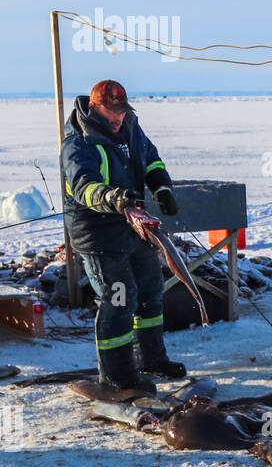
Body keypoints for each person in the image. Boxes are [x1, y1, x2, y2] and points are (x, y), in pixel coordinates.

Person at [61, 80, 186, 391]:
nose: (118, 118)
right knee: (119, 298)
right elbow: (83, 187)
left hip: (133, 225)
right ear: (93, 108)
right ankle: (118, 376)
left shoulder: (130, 126)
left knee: (150, 290)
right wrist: (113, 198)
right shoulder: (78, 143)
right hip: (98, 234)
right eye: (111, 112)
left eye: (121, 111)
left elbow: (151, 159)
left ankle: (152, 359)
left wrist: (162, 187)